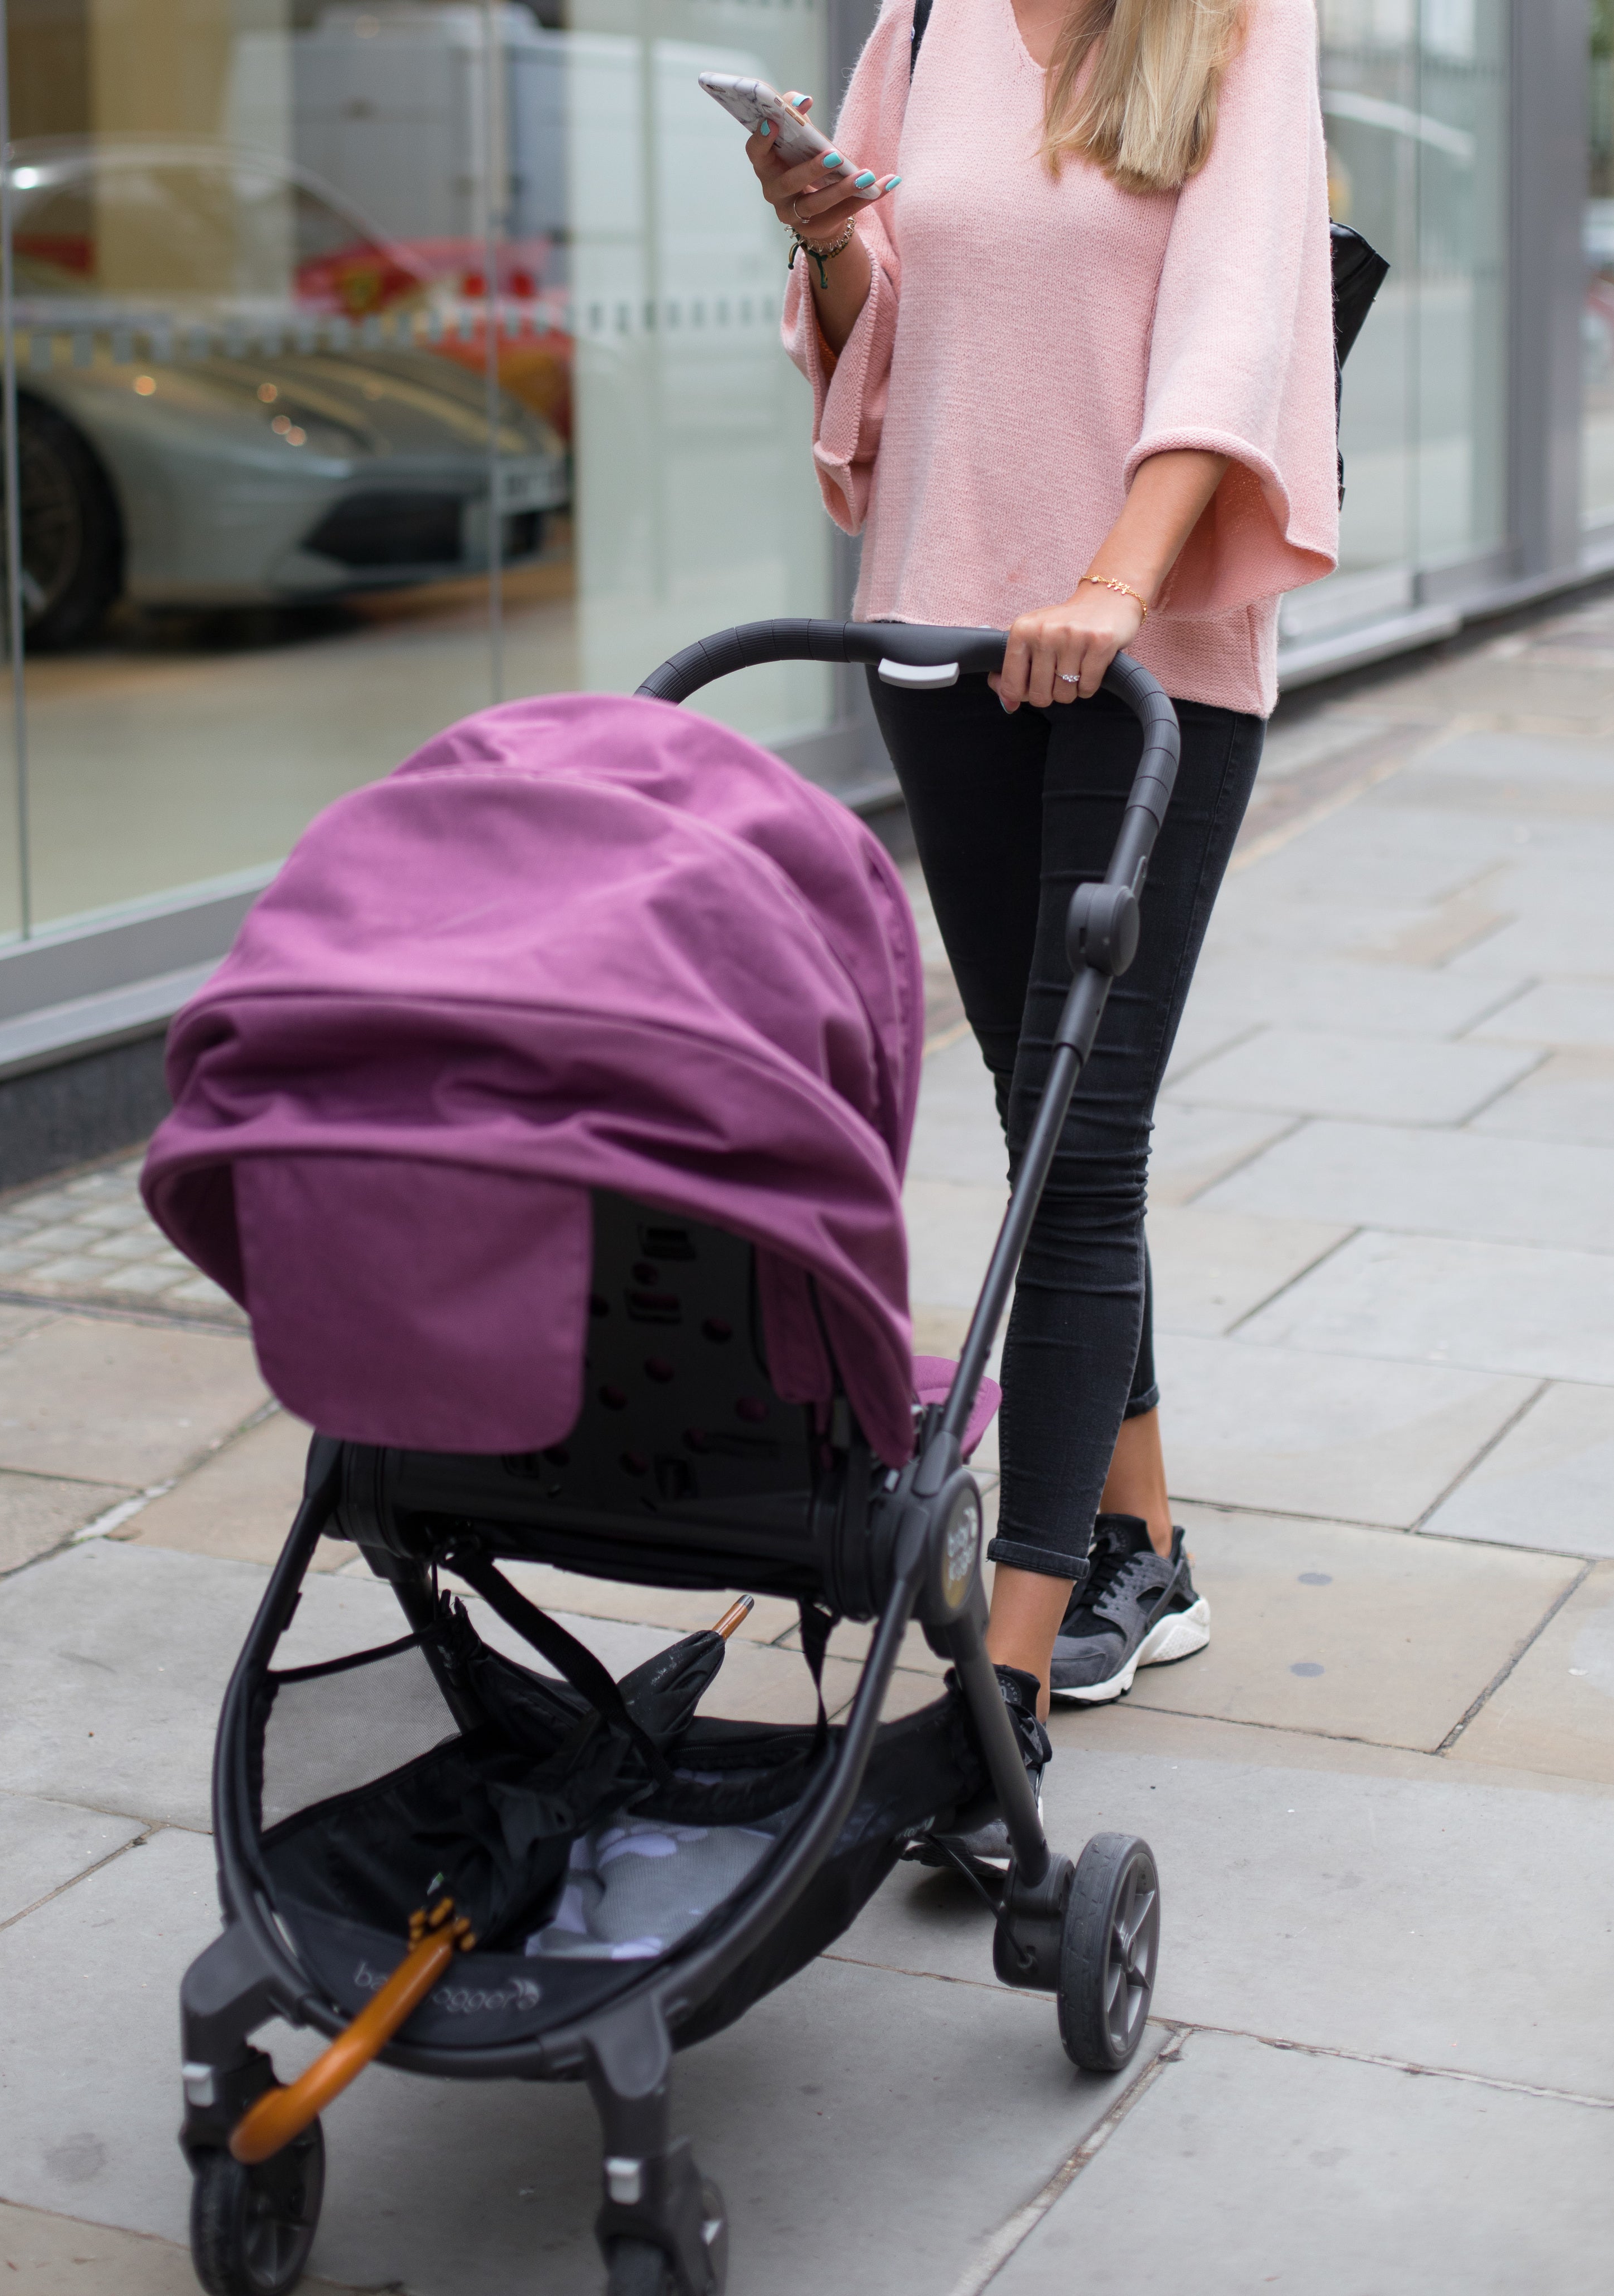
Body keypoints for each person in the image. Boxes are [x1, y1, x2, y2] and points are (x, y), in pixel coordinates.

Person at [749, 0, 1338, 1846]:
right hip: (936, 616)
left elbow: (1237, 329)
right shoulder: (922, 20)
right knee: (1038, 1107)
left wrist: (1105, 583)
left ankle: (1001, 1673)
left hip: (1137, 645)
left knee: (1079, 1152)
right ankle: (1139, 1541)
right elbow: (882, 346)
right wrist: (830, 238)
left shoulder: (1239, 19)